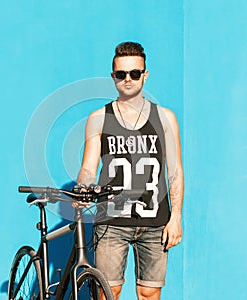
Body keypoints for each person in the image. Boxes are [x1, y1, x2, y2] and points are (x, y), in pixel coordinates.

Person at [77, 42, 184, 300]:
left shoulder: (165, 117)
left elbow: (175, 170)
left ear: (145, 75)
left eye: (135, 73)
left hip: (155, 220)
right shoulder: (99, 117)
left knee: (149, 293)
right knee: (108, 292)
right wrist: (82, 189)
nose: (128, 79)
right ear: (113, 76)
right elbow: (89, 167)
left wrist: (176, 217)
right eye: (121, 74)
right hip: (111, 222)